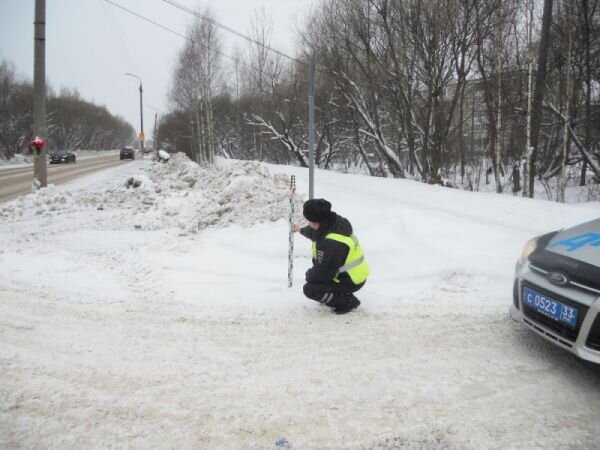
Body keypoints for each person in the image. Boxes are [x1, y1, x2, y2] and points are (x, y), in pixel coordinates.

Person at [292, 198, 369, 314]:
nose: (308, 223)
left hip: (352, 280)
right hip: (354, 273)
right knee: (317, 281)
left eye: (309, 221)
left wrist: (309, 275)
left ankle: (348, 302)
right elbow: (316, 232)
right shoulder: (333, 222)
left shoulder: (332, 244)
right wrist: (300, 230)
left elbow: (325, 273)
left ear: (316, 222)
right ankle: (334, 294)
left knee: (311, 289)